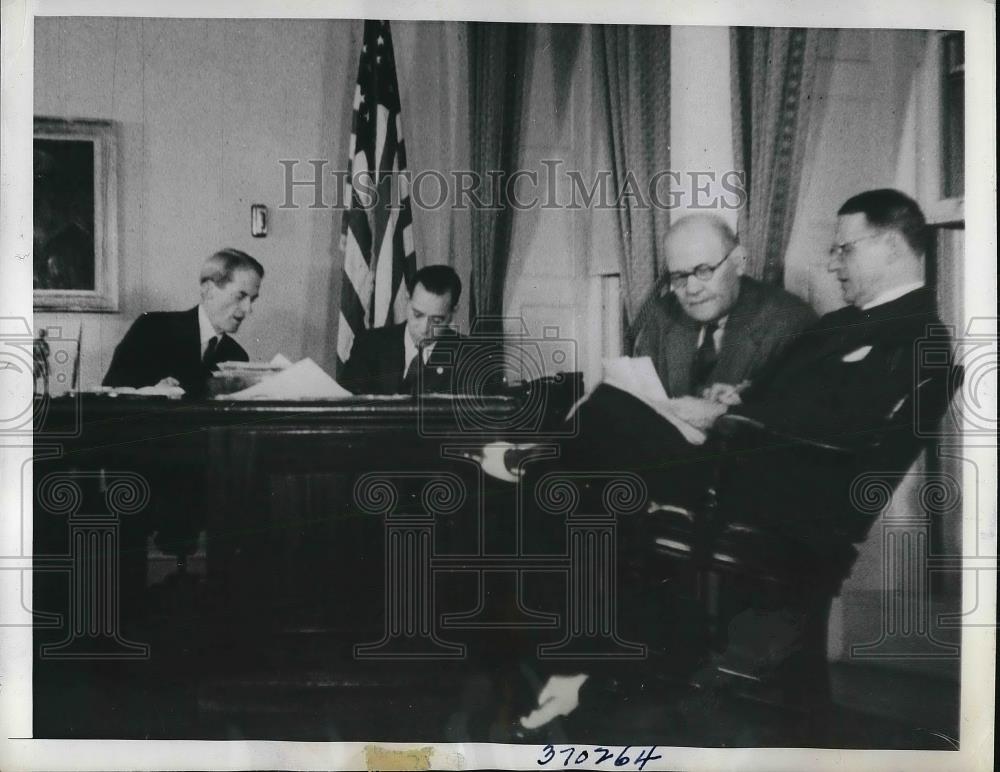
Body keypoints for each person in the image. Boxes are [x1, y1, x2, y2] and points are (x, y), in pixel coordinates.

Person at [518, 188, 952, 731]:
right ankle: (574, 651)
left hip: (778, 499)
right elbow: (799, 399)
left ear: (890, 246)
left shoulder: (914, 334)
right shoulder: (849, 323)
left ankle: (568, 649)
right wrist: (735, 397)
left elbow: (842, 433)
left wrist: (725, 420)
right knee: (582, 482)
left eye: (845, 249)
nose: (832, 261)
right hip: (753, 468)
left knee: (601, 422)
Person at [633, 214, 816, 399]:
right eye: (679, 276)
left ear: (738, 262)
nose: (692, 289)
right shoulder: (663, 314)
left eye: (704, 270)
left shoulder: (790, 323)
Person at [102, 248, 263, 395]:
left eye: (252, 299)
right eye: (240, 296)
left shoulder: (237, 356)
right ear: (208, 290)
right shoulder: (152, 328)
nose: (247, 309)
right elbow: (111, 393)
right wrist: (151, 393)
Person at [340, 264, 467, 395]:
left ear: (453, 311)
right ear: (407, 298)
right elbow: (346, 405)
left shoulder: (469, 356)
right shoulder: (369, 345)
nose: (424, 329)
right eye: (417, 314)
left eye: (437, 321)